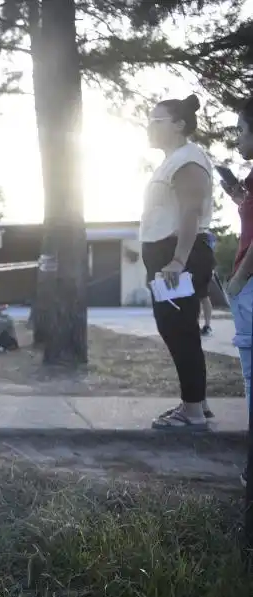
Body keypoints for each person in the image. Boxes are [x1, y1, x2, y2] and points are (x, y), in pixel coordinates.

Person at [139, 94, 216, 431]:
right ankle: (196, 402)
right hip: (167, 257)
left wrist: (177, 260)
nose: (150, 127)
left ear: (180, 125)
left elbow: (190, 213)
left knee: (179, 330)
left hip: (179, 257)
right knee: (177, 329)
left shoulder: (189, 159)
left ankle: (193, 412)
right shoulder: (172, 160)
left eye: (157, 121)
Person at [224, 98, 253, 486]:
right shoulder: (250, 183)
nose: (237, 138)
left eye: (242, 130)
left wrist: (238, 280)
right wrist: (239, 199)